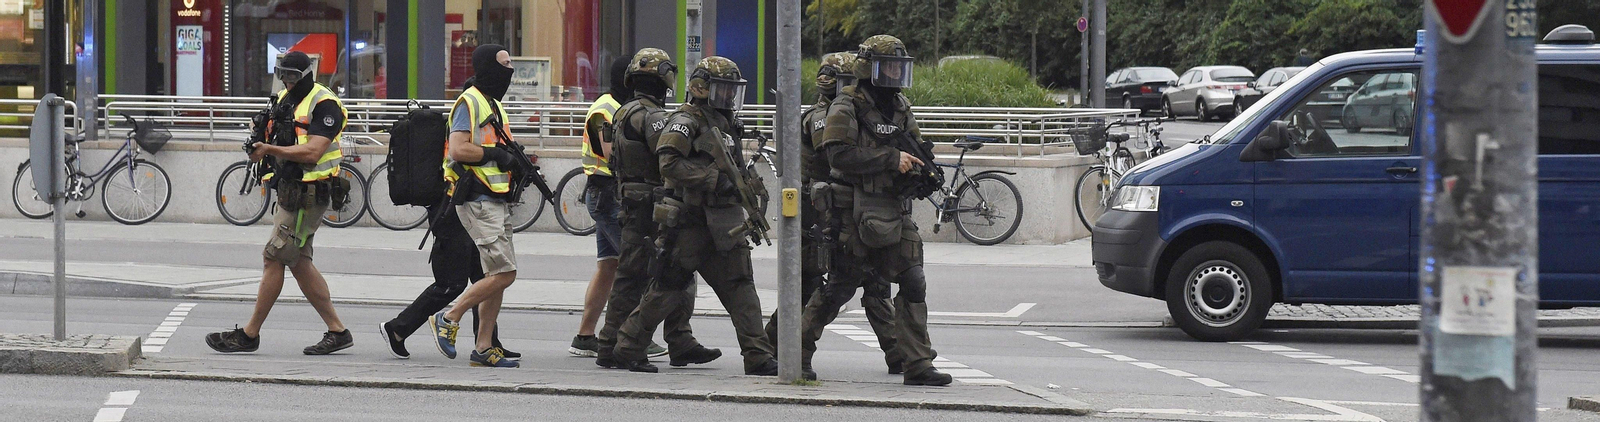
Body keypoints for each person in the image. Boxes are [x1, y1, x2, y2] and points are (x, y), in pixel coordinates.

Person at [611, 56, 778, 376]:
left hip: (725, 222)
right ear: (702, 89)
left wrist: (743, 190)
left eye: (733, 90)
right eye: (723, 90)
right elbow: (668, 165)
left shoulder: (725, 123)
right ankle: (628, 347)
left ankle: (757, 355)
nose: (729, 97)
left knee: (742, 287)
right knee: (667, 288)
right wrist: (715, 180)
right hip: (689, 222)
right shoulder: (684, 121)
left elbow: (735, 166)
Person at [815, 35, 951, 386]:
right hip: (851, 210)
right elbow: (838, 155)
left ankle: (917, 363)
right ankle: (795, 351)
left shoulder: (901, 106)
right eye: (888, 66)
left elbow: (916, 147)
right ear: (868, 68)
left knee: (913, 279)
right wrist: (891, 159)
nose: (894, 74)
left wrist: (924, 171)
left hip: (891, 208)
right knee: (839, 289)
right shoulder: (846, 104)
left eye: (898, 67)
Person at [206, 51, 353, 355]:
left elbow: (313, 152)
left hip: (309, 193)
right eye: (281, 73)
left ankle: (249, 335)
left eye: (292, 75)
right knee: (298, 262)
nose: (286, 80)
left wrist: (269, 148)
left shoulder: (324, 103)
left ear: (306, 74)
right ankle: (338, 331)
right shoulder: (286, 98)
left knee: (274, 257)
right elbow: (280, 134)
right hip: (292, 190)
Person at [594, 48, 720, 370]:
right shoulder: (653, 117)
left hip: (636, 201)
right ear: (664, 80)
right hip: (651, 204)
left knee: (644, 276)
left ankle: (672, 341)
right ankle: (624, 344)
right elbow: (670, 154)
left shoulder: (624, 110)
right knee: (659, 274)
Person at [376, 79, 513, 361]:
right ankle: (397, 328)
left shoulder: (479, 121)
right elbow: (460, 159)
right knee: (451, 283)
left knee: (486, 276)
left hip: (460, 204)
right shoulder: (463, 122)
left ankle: (487, 343)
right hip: (451, 208)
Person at [790, 52, 902, 381]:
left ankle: (896, 351)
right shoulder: (826, 115)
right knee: (833, 284)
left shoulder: (854, 109)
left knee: (874, 283)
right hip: (830, 207)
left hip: (858, 205)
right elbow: (836, 157)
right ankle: (785, 347)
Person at [427, 44, 529, 368]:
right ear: (487, 67)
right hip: (476, 198)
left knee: (495, 273)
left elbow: (494, 144)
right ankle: (449, 316)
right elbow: (458, 149)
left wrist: (515, 161)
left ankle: (484, 346)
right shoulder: (469, 102)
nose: (509, 71)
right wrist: (496, 156)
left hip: (493, 199)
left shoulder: (492, 103)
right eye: (504, 65)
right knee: (506, 273)